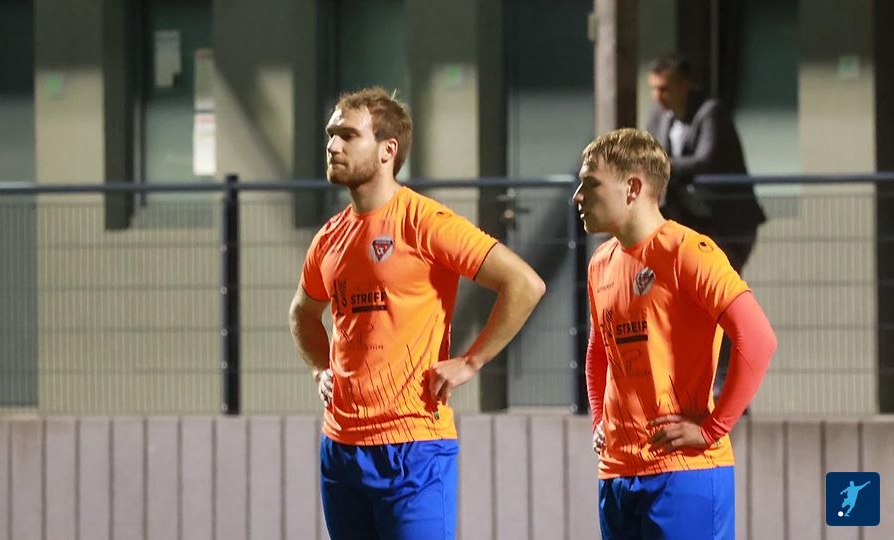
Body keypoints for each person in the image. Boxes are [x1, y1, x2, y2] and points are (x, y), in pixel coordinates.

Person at [288, 86, 545, 540]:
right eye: (331, 135)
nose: (332, 146)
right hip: (342, 450)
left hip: (414, 448)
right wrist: (319, 369)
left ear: (387, 150)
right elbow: (303, 314)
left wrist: (472, 361)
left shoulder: (424, 221)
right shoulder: (328, 238)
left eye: (348, 135)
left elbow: (524, 283)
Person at [575, 128, 776, 539]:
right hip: (617, 473)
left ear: (633, 188)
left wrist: (712, 429)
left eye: (590, 184)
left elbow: (758, 339)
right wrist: (600, 419)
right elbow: (599, 350)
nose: (578, 196)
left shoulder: (689, 252)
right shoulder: (600, 263)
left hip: (684, 473)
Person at [645, 53, 765, 273]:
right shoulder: (659, 115)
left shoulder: (711, 111)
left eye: (664, 89)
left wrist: (660, 164)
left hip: (726, 222)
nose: (657, 96)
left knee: (717, 284)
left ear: (684, 85)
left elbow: (704, 160)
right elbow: (647, 152)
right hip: (687, 219)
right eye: (653, 89)